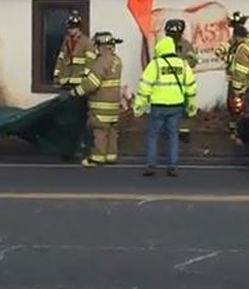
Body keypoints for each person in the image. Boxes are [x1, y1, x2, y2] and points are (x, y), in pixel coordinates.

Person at [134, 36, 197, 177]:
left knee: (153, 135)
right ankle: (172, 166)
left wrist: (139, 105)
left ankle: (151, 165)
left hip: (158, 105)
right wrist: (192, 105)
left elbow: (145, 86)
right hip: (176, 105)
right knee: (173, 135)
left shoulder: (155, 65)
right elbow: (191, 86)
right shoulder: (183, 64)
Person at [73, 32, 125, 167]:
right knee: (112, 131)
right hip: (114, 105)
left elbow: (92, 83)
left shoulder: (101, 62)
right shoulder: (117, 60)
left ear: (100, 46)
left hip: (100, 106)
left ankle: (97, 157)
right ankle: (111, 155)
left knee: (100, 131)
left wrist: (76, 91)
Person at [222, 12, 249, 136]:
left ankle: (239, 133)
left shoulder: (242, 48)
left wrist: (237, 90)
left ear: (237, 36)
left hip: (245, 84)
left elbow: (240, 71)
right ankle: (241, 131)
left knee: (238, 109)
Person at [165, 19, 197, 144]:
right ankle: (168, 130)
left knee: (184, 109)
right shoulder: (163, 45)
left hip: (182, 83)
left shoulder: (187, 45)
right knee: (168, 107)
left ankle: (184, 131)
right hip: (166, 83)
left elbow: (193, 62)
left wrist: (181, 64)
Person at [54, 11, 95, 90]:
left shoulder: (86, 42)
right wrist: (56, 75)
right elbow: (60, 58)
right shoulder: (66, 42)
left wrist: (85, 75)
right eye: (69, 27)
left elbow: (90, 61)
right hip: (65, 81)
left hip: (79, 81)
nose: (71, 30)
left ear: (79, 28)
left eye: (73, 27)